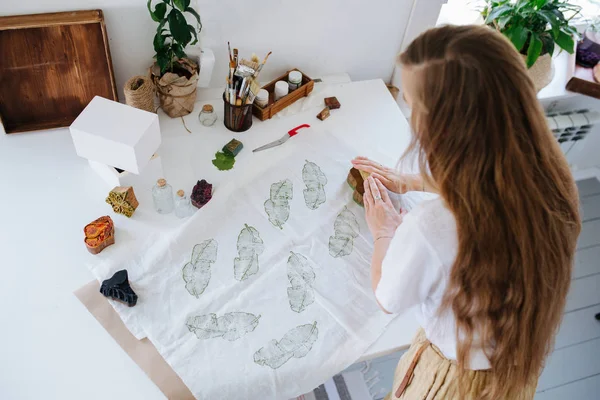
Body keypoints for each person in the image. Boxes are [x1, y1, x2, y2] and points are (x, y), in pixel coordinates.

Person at [352, 25, 581, 400]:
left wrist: (384, 231)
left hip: (453, 382)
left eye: (412, 106)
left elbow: (386, 297)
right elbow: (490, 179)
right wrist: (413, 182)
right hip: (516, 365)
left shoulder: (431, 228)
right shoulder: (552, 176)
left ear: (446, 128)